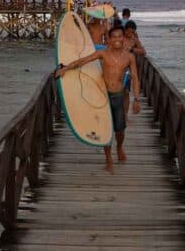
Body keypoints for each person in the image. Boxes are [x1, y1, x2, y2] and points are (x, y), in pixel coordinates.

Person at [55, 25, 142, 173]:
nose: (117, 39)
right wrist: (66, 68)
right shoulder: (103, 53)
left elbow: (134, 77)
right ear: (109, 39)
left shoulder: (129, 57)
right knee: (106, 129)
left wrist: (137, 99)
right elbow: (83, 61)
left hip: (119, 96)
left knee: (120, 130)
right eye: (114, 37)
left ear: (123, 38)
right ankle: (108, 159)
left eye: (119, 36)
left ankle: (119, 147)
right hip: (104, 95)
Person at [122, 20, 146, 119]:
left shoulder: (134, 40)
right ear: (125, 30)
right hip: (117, 67)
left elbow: (143, 51)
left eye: (132, 32)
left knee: (126, 92)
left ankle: (125, 115)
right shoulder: (119, 38)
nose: (130, 34)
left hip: (128, 69)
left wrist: (132, 49)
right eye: (128, 31)